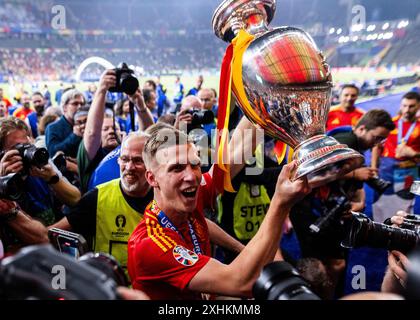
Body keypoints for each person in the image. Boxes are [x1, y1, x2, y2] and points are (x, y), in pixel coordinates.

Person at [128, 124, 311, 299]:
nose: (191, 176)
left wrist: (257, 104)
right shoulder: (150, 245)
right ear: (152, 178)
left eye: (195, 165)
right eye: (177, 168)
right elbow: (242, 282)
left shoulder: (183, 200)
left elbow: (233, 156)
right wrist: (280, 203)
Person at [52, 131, 244, 273]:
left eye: (137, 161)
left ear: (151, 170)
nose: (128, 167)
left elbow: (198, 220)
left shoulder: (176, 192)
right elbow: (54, 235)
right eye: (124, 159)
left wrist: (240, 249)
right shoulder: (98, 198)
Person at [289, 109, 395, 296]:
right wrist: (355, 173)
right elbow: (313, 176)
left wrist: (360, 199)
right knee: (322, 265)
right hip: (311, 211)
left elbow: (348, 180)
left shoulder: (350, 139)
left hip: (324, 209)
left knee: (329, 263)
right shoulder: (346, 142)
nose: (377, 143)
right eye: (376, 137)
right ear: (362, 128)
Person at [77, 69, 154, 193]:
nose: (111, 131)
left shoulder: (127, 150)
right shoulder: (91, 157)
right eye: (105, 129)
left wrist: (139, 103)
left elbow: (150, 135)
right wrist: (101, 90)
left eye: (115, 128)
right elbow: (92, 134)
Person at [0, 117, 81, 226]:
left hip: (50, 232)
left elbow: (75, 198)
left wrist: (52, 178)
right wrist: (3, 184)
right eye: (17, 148)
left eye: (26, 145)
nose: (25, 152)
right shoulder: (2, 177)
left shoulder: (38, 161)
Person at [374, 92, 420, 222]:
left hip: (412, 172)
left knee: (407, 204)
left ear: (418, 106)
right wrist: (373, 167)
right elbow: (376, 146)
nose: (406, 110)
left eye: (411, 106)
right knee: (380, 203)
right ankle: (380, 231)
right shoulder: (390, 124)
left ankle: (404, 235)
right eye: (404, 105)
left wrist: (414, 153)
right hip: (386, 169)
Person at [45, 89, 86, 158]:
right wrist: (75, 136)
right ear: (64, 107)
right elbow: (53, 152)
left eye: (82, 104)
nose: (79, 107)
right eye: (75, 104)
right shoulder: (53, 128)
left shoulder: (88, 125)